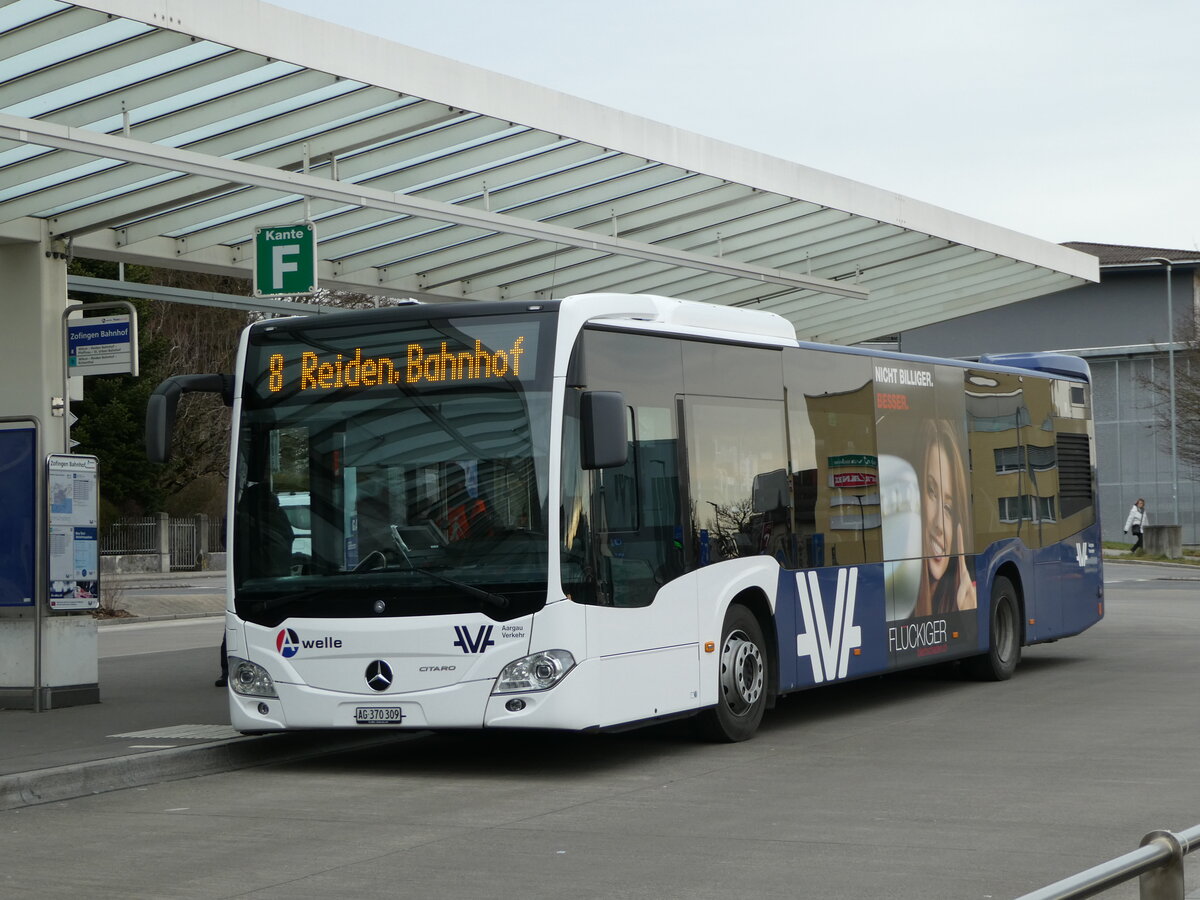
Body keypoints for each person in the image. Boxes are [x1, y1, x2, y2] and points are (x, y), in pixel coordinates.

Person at [914, 419, 977, 618]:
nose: (939, 525)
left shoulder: (964, 599)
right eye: (931, 492)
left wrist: (967, 616)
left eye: (949, 508)